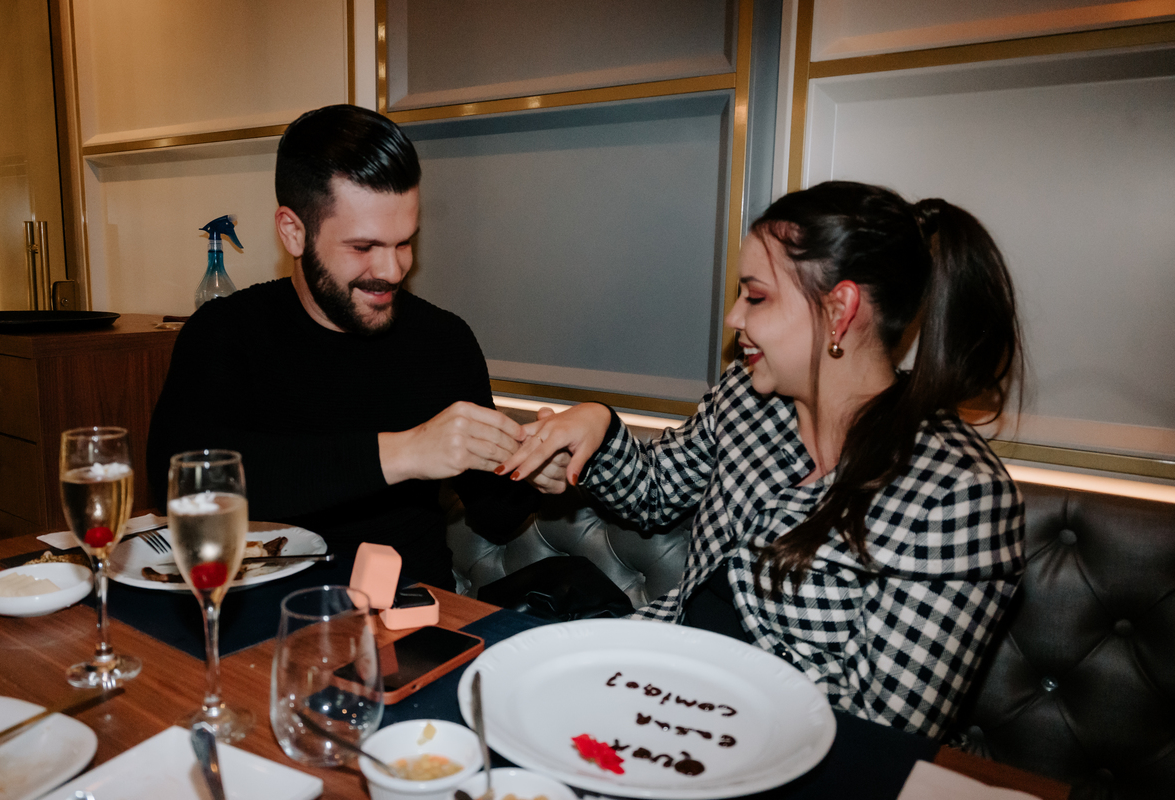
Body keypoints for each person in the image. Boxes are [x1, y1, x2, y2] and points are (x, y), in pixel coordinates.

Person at [499, 181, 1025, 739]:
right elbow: (656, 492)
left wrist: (692, 701)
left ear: (840, 310)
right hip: (657, 684)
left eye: (756, 297)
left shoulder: (958, 495)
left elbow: (880, 732)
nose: (733, 318)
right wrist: (598, 428)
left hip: (781, 742)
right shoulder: (748, 397)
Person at [148, 104, 538, 590]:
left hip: (409, 618)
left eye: (404, 243)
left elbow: (496, 517)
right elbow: (179, 485)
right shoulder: (225, 333)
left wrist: (537, 465)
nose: (392, 271)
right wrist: (404, 452)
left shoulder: (443, 340)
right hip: (258, 616)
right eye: (363, 247)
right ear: (294, 232)